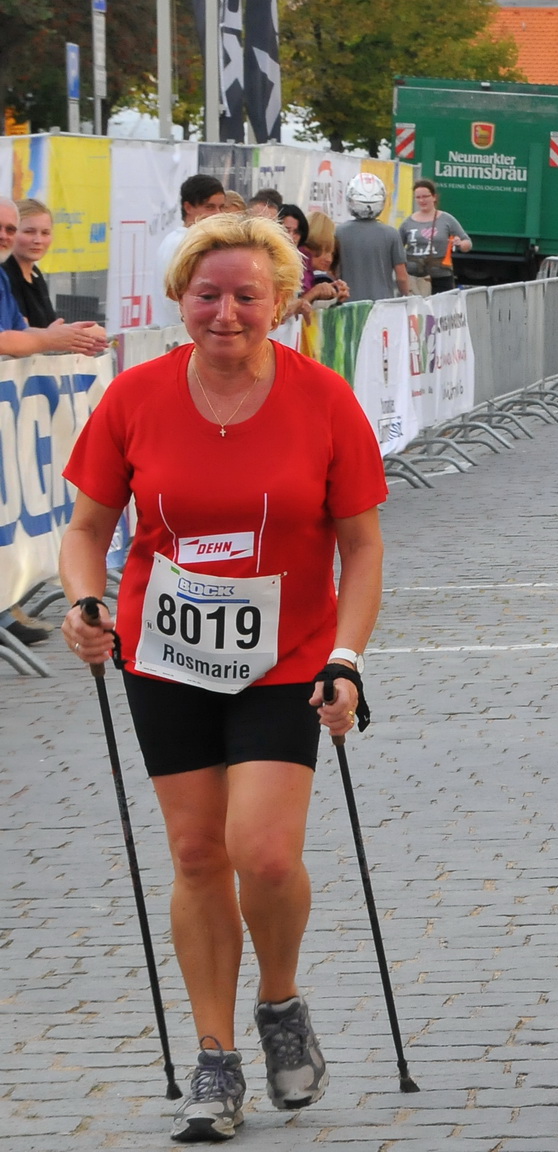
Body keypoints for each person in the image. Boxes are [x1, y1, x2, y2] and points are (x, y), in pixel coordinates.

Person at [58, 212, 388, 1143]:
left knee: (266, 852)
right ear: (178, 301)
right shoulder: (136, 398)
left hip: (287, 656)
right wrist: (86, 606)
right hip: (168, 652)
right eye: (208, 295)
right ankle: (216, 1058)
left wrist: (346, 658)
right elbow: (85, 531)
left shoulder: (325, 401)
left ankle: (279, 1004)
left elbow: (361, 549)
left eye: (247, 295)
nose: (227, 313)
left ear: (282, 302)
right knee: (199, 855)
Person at [0, 199, 107, 358]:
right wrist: (50, 339)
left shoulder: (9, 277)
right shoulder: (8, 272)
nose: (38, 240)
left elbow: (21, 329)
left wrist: (72, 335)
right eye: (29, 231)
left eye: (10, 230)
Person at [156, 175, 228, 321]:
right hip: (183, 332)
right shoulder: (188, 244)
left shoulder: (173, 240)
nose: (218, 214)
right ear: (188, 207)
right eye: (210, 207)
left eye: (221, 207)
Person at [335, 174, 409, 301]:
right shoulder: (391, 234)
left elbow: (333, 271)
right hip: (382, 304)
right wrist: (406, 296)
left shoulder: (338, 232)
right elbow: (401, 277)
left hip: (348, 305)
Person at [399, 179, 471, 296]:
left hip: (441, 277)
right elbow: (397, 247)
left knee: (441, 313)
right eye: (418, 197)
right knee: (417, 313)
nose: (422, 200)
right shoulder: (407, 223)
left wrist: (460, 243)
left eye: (425, 196)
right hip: (414, 279)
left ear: (434, 197)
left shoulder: (446, 219)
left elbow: (467, 243)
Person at [6, 198, 59, 328]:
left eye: (45, 233)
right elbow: (18, 332)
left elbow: (48, 326)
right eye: (29, 232)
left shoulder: (35, 274)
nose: (38, 240)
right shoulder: (4, 275)